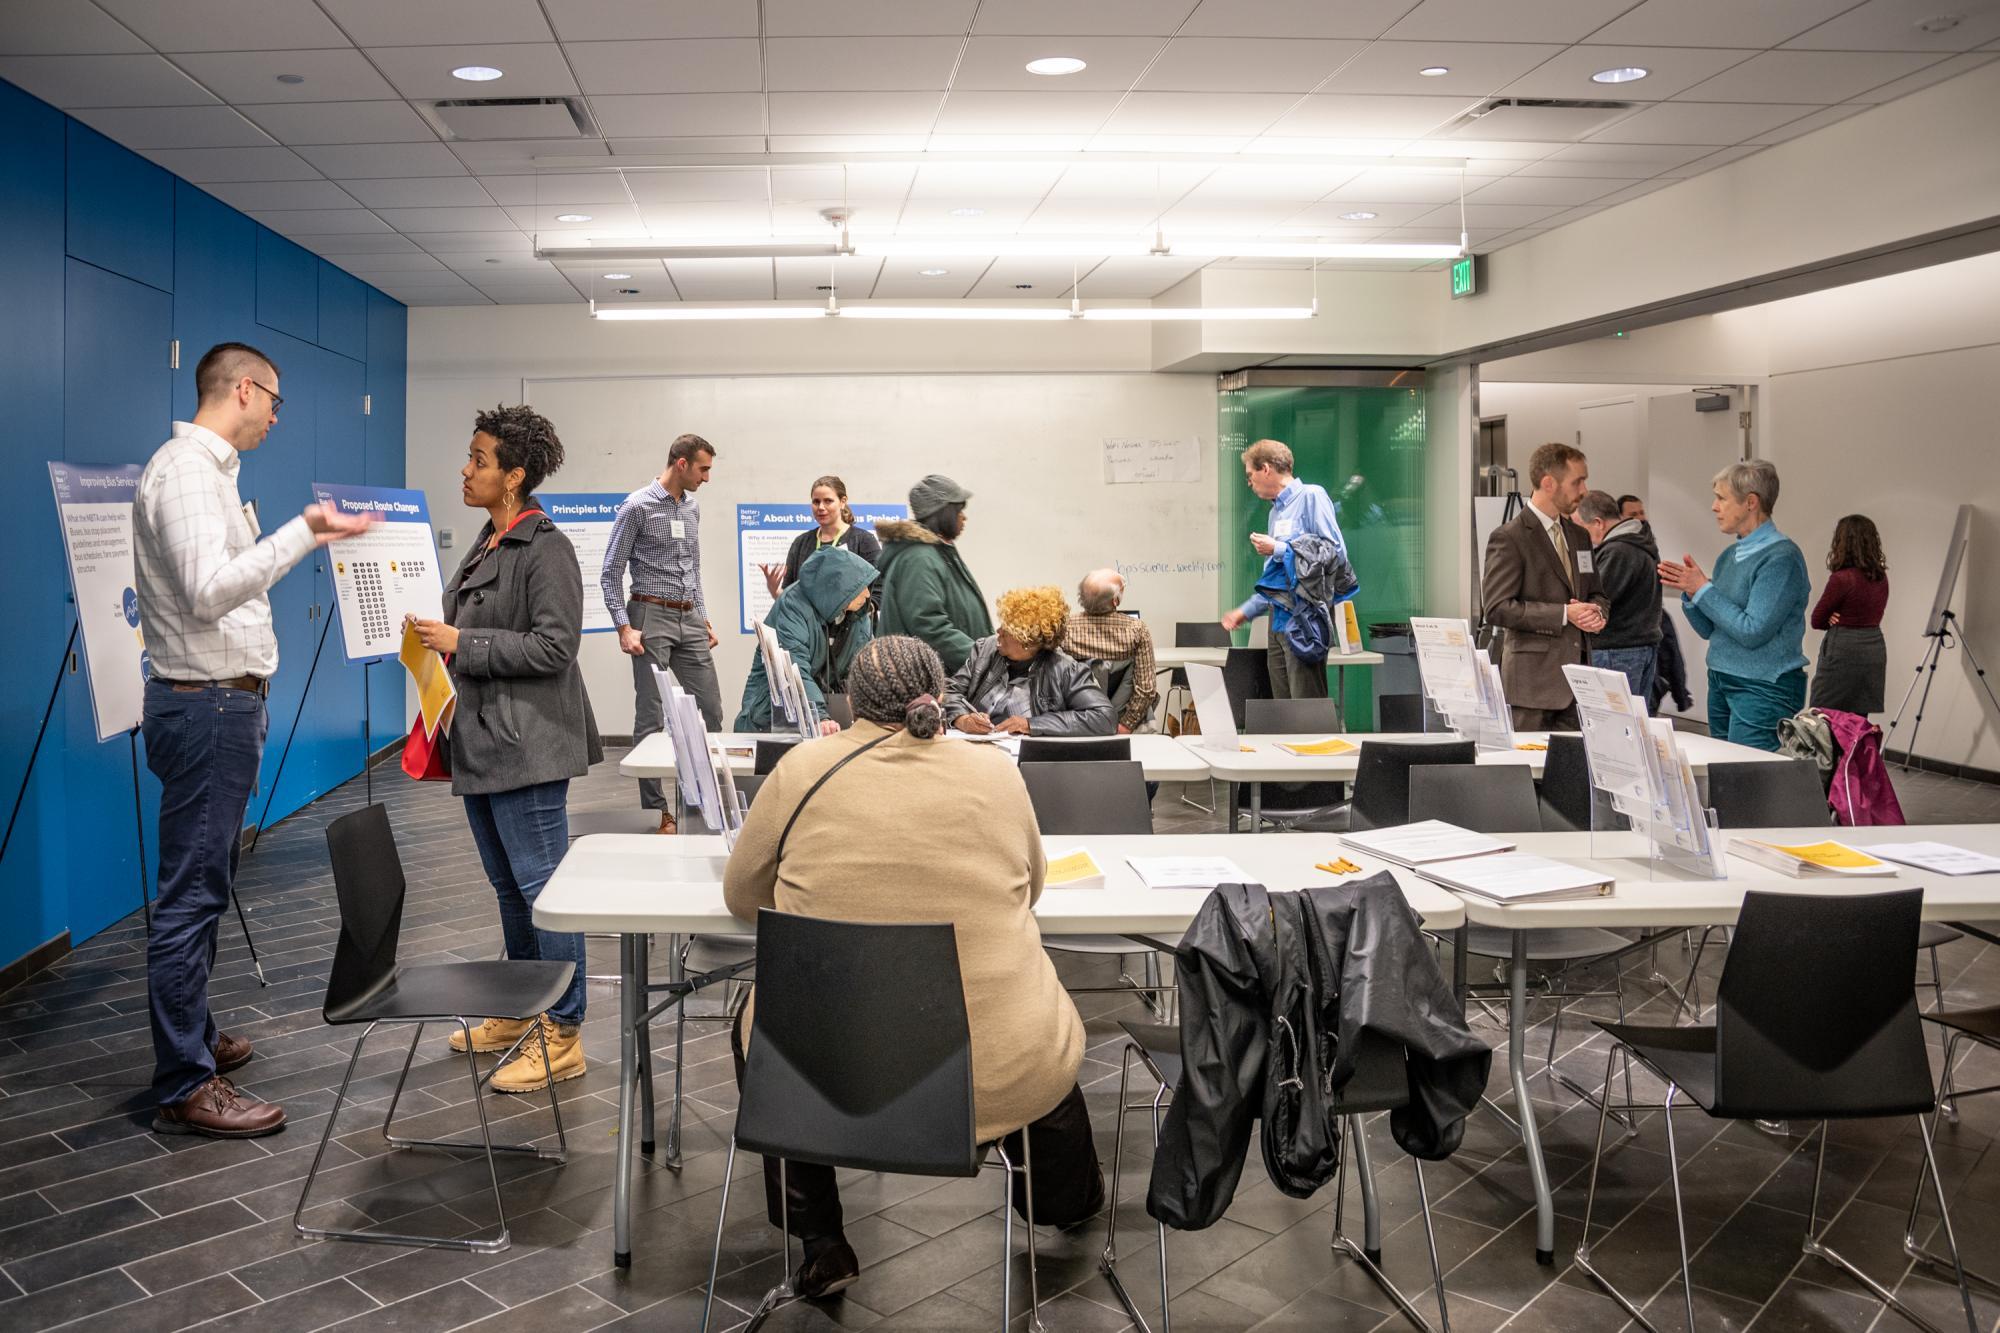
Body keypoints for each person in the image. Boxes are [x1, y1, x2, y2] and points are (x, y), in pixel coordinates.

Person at [722, 635, 1104, 1299]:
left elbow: (742, 897)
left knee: (767, 1020)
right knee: (1033, 1023)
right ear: (936, 691)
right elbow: (1032, 887)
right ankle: (1062, 1201)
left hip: (829, 1071)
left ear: (855, 699)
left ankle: (822, 1240)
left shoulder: (804, 767)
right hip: (994, 1073)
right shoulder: (994, 770)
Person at [135, 341, 374, 1137]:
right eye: (275, 402)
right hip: (205, 707)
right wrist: (304, 531)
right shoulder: (185, 473)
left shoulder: (209, 476)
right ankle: (184, 1081)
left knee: (206, 880)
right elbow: (207, 594)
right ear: (245, 389)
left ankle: (193, 1037)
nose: (276, 417)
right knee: (191, 894)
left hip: (220, 706)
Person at [410, 406, 602, 1091]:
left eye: (480, 460)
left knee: (545, 891)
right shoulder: (487, 543)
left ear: (515, 475)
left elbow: (557, 646)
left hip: (530, 745)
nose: (466, 469)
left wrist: (465, 643)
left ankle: (565, 1029)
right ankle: (526, 1008)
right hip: (482, 742)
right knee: (510, 887)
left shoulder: (546, 548)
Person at [601, 433, 721, 833]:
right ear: (681, 464)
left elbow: (695, 569)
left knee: (711, 712)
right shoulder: (637, 506)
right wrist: (623, 626)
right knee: (651, 717)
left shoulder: (693, 508)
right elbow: (609, 572)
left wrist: (703, 617)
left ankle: (703, 802)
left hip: (689, 619)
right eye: (703, 468)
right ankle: (658, 813)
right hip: (649, 615)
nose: (707, 477)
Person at [1659, 459, 1811, 752]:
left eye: (1721, 498)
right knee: (1724, 778)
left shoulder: (1781, 559)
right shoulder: (1729, 556)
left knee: (1745, 784)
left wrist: (1703, 589)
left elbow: (1752, 631)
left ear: (1751, 502)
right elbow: (1709, 629)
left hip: (1763, 686)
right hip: (1722, 678)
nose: (1714, 507)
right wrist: (1692, 594)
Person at [1480, 443, 1608, 730]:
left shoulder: (1579, 536)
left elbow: (1596, 593)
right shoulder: (1509, 537)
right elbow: (1498, 608)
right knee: (1529, 772)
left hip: (1579, 686)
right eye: (1577, 481)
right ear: (1549, 483)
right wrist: (1564, 614)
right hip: (1532, 688)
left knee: (1573, 772)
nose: (1584, 490)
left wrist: (1597, 613)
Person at [1220, 439, 1347, 699]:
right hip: (1277, 621)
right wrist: (1246, 611)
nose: (1249, 483)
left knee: (1306, 711)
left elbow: (1335, 553)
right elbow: (1276, 576)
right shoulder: (1275, 512)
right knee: (1284, 713)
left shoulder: (1312, 496)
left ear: (1265, 469)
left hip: (1305, 619)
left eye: (1250, 475)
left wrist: (1278, 548)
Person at [736, 546, 877, 734]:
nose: (867, 594)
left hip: (827, 720)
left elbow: (867, 667)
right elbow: (793, 667)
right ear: (837, 588)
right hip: (772, 718)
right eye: (860, 588)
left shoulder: (858, 614)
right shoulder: (792, 606)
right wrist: (818, 715)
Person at [945, 587, 1116, 737]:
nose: (999, 631)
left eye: (1007, 630)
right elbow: (949, 692)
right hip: (977, 752)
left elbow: (1104, 717)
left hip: (1027, 761)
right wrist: (963, 720)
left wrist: (1031, 724)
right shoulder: (985, 649)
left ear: (1027, 642)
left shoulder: (1065, 670)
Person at [876, 473, 991, 674]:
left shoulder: (936, 553)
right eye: (958, 511)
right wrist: (982, 659)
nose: (963, 517)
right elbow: (929, 626)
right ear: (943, 512)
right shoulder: (919, 558)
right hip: (925, 685)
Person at [1576, 490, 1663, 703]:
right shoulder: (1640, 544)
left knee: (1612, 724)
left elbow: (1598, 598)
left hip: (1615, 651)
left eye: (1582, 528)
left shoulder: (1618, 551)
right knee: (1630, 721)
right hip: (1635, 648)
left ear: (1598, 523)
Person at [1809, 514, 1890, 715]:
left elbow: (1816, 620)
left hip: (1842, 650)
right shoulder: (1881, 578)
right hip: (1873, 650)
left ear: (1841, 542)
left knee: (1824, 718)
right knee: (1857, 722)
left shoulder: (1842, 579)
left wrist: (1831, 618)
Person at [757, 475, 883, 604]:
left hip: (850, 623)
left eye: (828, 501)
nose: (821, 507)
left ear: (842, 502)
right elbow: (790, 602)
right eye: (816, 502)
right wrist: (774, 591)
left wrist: (852, 609)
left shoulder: (863, 541)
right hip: (808, 624)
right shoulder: (801, 543)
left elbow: (879, 593)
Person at [1065, 568, 1159, 733]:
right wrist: (1127, 724)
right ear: (1115, 601)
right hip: (1124, 723)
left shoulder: (1064, 629)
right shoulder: (1137, 629)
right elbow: (1146, 688)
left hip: (1078, 719)